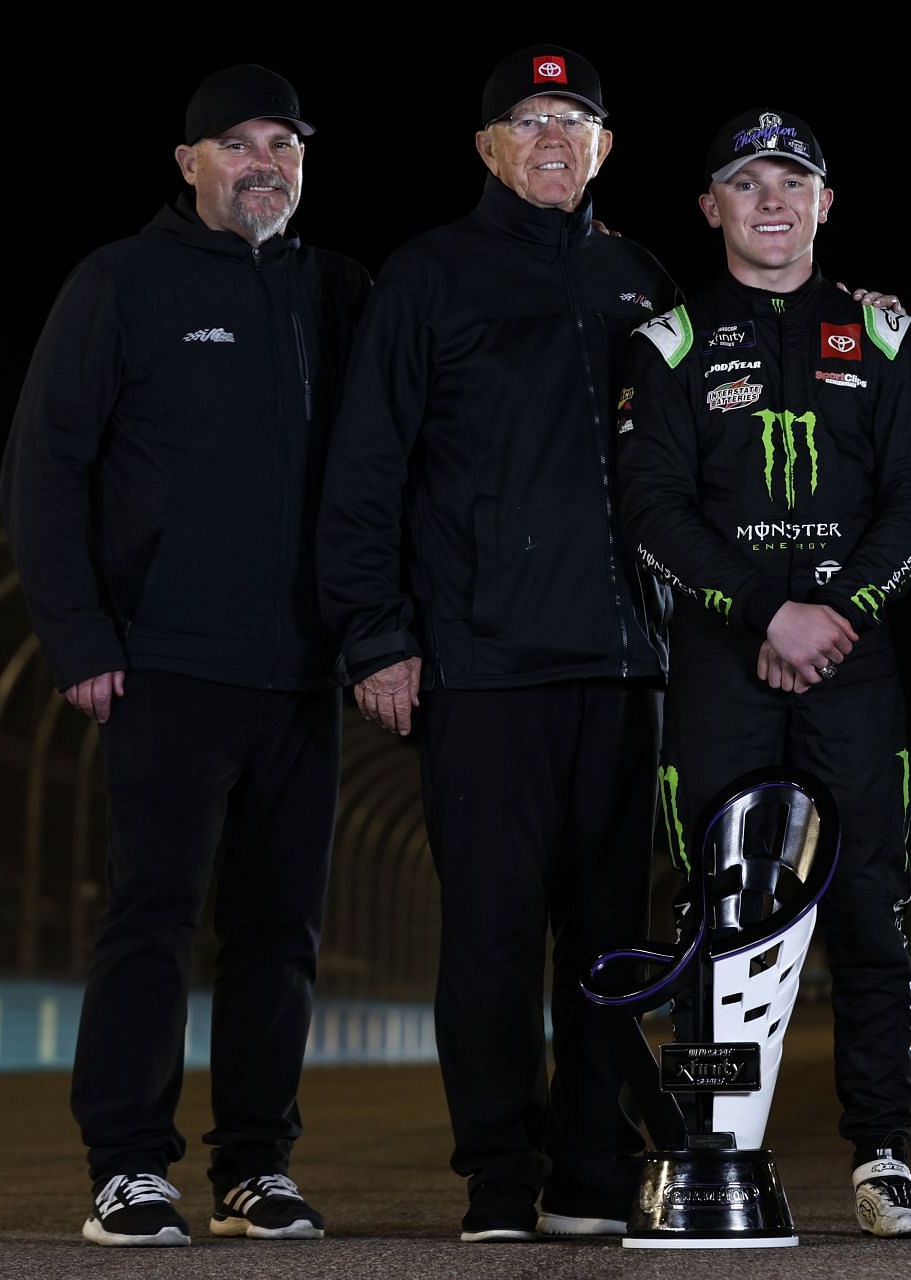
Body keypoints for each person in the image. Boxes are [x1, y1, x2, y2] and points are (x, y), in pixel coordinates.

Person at [0, 64, 371, 1247]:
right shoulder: (121, 284)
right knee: (151, 914)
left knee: (280, 931)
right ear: (189, 162)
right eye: (240, 144)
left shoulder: (340, 292)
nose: (266, 162)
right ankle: (126, 1164)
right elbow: (45, 468)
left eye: (286, 143)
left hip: (302, 673)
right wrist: (80, 633)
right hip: (162, 663)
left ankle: (255, 1162)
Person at [317, 45, 676, 1243]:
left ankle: (593, 1165)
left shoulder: (640, 278)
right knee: (492, 934)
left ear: (605, 146)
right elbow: (365, 468)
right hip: (482, 664)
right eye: (529, 120)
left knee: (613, 940)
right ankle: (498, 1176)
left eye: (575, 120)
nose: (554, 139)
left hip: (626, 669)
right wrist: (377, 635)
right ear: (486, 147)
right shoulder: (426, 278)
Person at [615, 109, 911, 1238]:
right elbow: (650, 508)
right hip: (722, 664)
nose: (771, 200)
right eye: (745, 183)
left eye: (791, 183)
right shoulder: (666, 344)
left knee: (868, 907)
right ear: (710, 207)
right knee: (719, 907)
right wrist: (767, 609)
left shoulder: (886, 334)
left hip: (853, 667)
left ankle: (883, 1153)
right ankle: (714, 1146)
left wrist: (835, 613)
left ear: (825, 203)